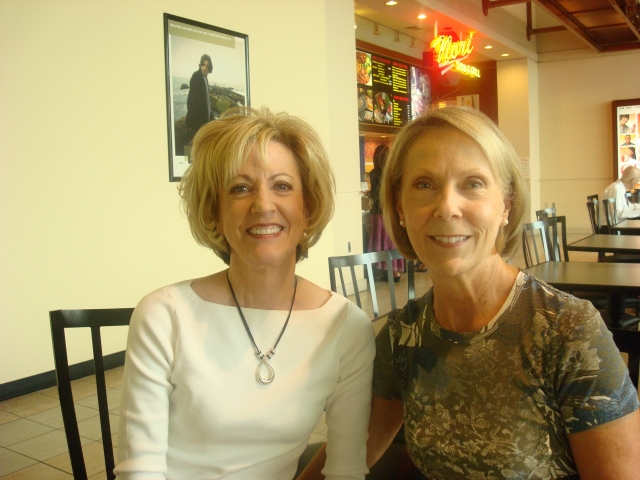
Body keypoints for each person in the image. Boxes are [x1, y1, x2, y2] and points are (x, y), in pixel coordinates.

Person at [366, 106, 640, 480]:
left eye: (473, 183)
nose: (447, 207)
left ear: (506, 205)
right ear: (400, 208)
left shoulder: (567, 331)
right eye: (424, 184)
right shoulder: (403, 336)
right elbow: (351, 452)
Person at [115, 107, 376, 480]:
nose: (263, 205)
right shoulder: (163, 316)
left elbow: (346, 470)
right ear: (215, 213)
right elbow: (139, 472)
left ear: (309, 207)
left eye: (282, 186)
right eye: (240, 188)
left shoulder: (346, 327)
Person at [368, 144, 405, 281]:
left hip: (379, 213)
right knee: (391, 242)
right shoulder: (393, 173)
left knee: (381, 242)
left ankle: (386, 270)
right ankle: (396, 272)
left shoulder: (374, 173)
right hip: (392, 213)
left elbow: (375, 194)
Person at [185, 54, 213, 141]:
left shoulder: (205, 78)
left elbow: (206, 101)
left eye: (207, 66)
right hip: (197, 124)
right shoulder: (196, 76)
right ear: (200, 65)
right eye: (203, 65)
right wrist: (194, 125)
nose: (205, 68)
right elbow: (191, 101)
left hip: (204, 122)